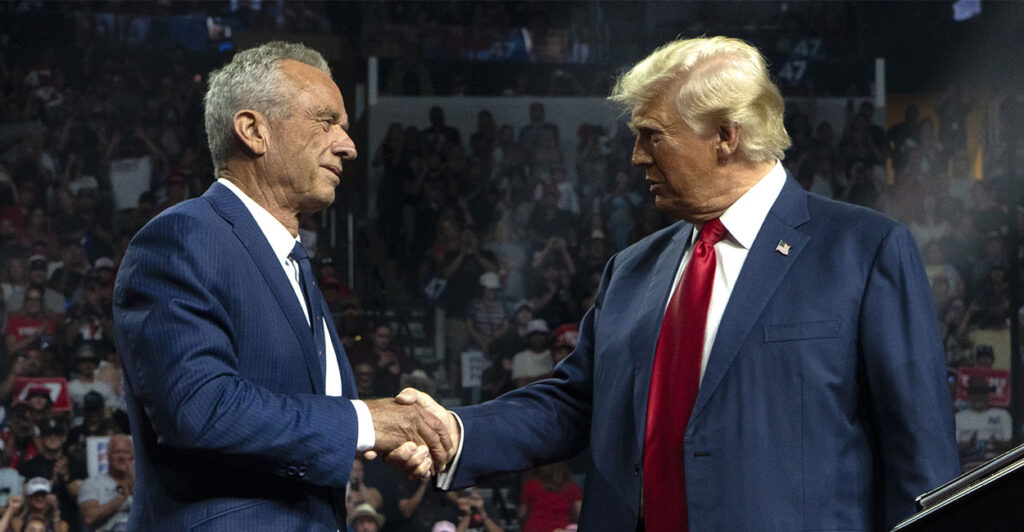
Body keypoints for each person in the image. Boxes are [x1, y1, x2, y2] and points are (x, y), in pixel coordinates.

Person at [399, 36, 959, 530]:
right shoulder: (632, 269)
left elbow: (920, 455)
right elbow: (575, 404)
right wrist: (455, 431)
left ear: (726, 135)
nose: (636, 157)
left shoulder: (863, 250)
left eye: (652, 136)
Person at [111, 41, 452, 531]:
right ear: (254, 130)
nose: (348, 145)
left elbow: (302, 432)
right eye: (326, 121)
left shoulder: (292, 263)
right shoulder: (184, 237)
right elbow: (200, 408)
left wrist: (381, 439)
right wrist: (365, 422)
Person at [77, 434, 133, 532]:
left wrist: (134, 485)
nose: (121, 456)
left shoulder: (144, 485)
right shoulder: (92, 484)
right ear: (108, 456)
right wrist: (122, 498)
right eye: (116, 452)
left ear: (132, 457)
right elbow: (89, 517)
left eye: (125, 452)